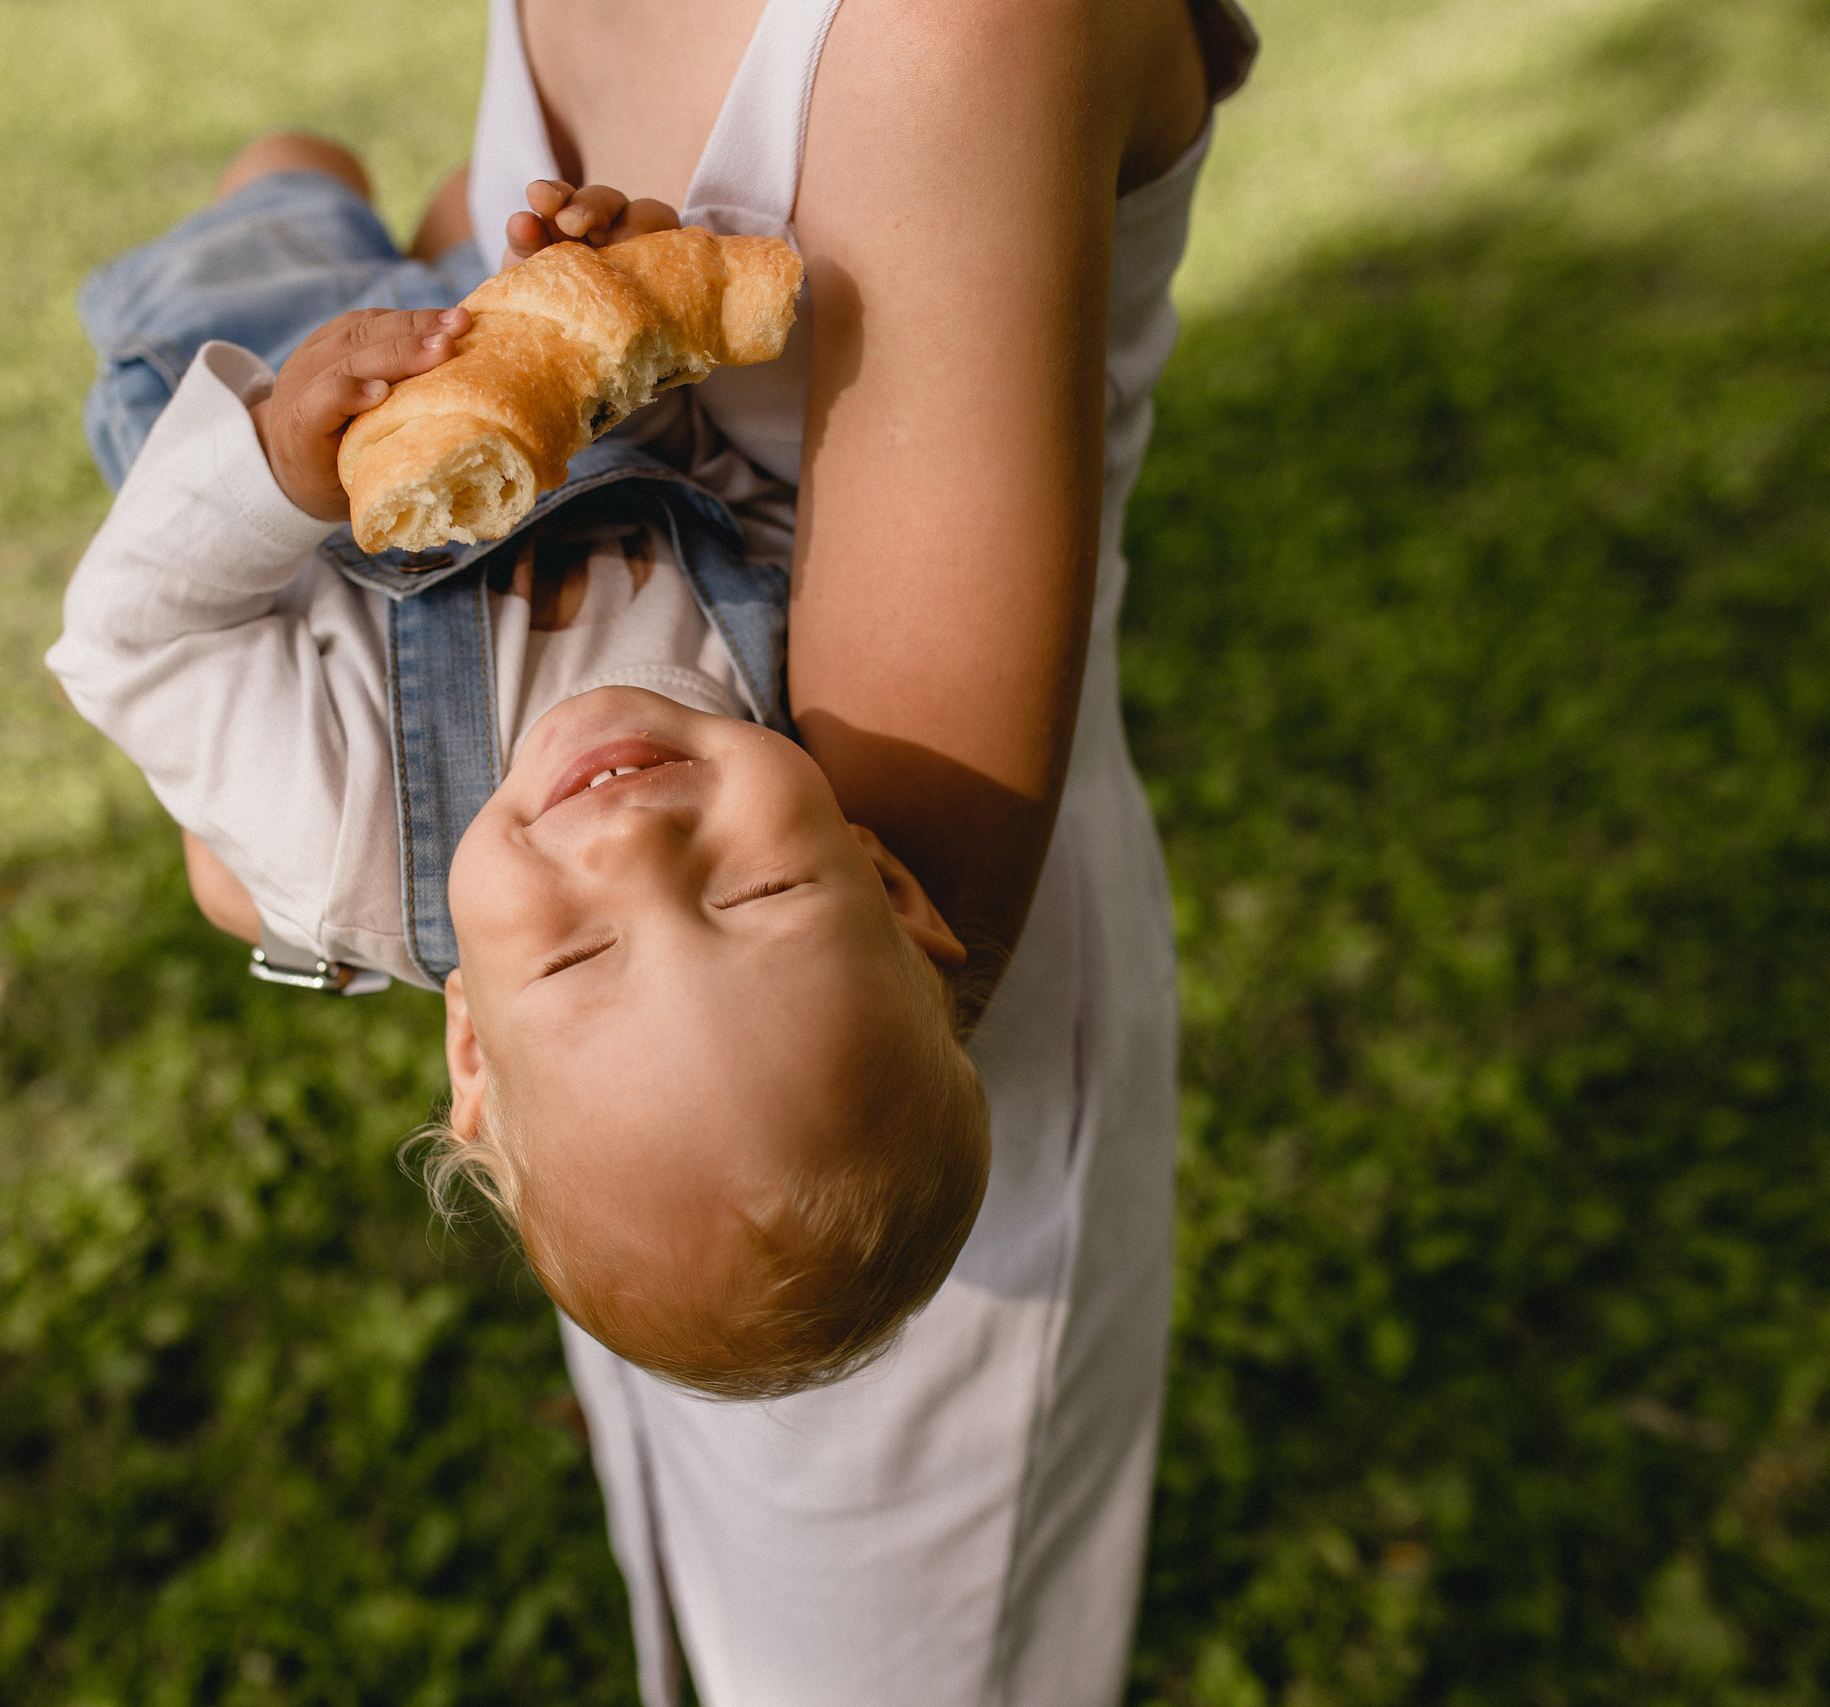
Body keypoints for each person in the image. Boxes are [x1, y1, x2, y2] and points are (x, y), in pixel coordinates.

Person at [445, 0, 1258, 1700]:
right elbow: (463, 308)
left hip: (879, 1092)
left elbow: (906, 853)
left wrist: (300, 846)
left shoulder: (957, 36)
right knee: (723, 1591)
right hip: (633, 1098)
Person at [49, 159, 990, 1396]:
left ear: (473, 1047)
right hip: (504, 326)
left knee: (300, 166)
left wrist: (276, 467)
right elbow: (749, 475)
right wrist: (640, 305)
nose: (633, 845)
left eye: (577, 957)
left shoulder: (350, 847)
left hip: (270, 364)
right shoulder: (794, 680)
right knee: (484, 176)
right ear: (885, 881)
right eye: (757, 896)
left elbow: (139, 644)